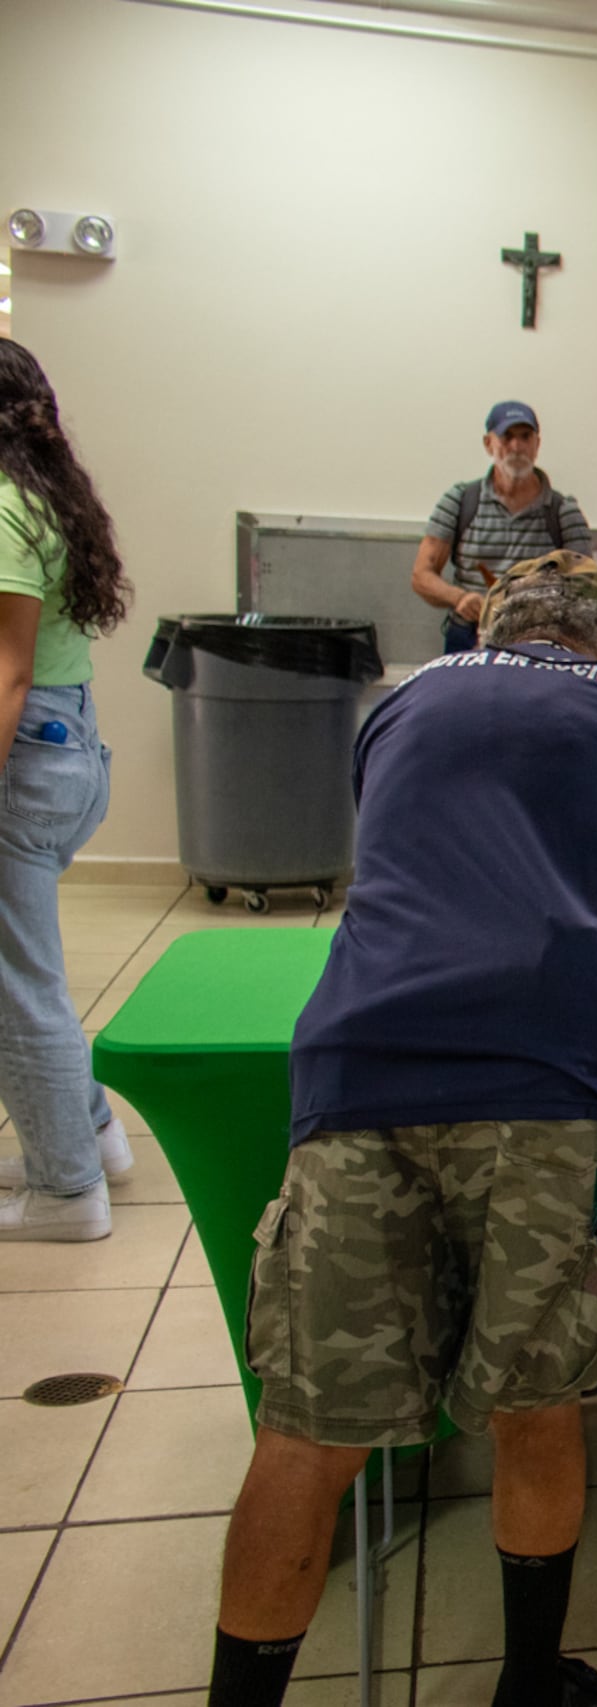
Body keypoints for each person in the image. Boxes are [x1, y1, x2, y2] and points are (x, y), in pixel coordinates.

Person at [206, 558, 597, 1707]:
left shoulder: (401, 706)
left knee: (308, 1434)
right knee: (533, 1409)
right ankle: (530, 1688)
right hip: (545, 1090)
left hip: (356, 1072)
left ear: (484, 630)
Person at [0, 340, 135, 1242]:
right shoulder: (47, 494)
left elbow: (8, 671)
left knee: (20, 986)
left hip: (28, 754)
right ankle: (92, 1136)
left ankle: (66, 1192)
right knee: (28, 973)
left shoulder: (5, 504)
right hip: (67, 745)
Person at [412, 401, 593, 655]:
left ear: (537, 444)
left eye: (525, 437)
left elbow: (587, 586)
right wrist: (460, 599)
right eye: (507, 437)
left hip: (538, 641)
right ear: (488, 444)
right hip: (468, 636)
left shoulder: (563, 511)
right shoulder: (460, 501)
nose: (516, 447)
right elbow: (422, 575)